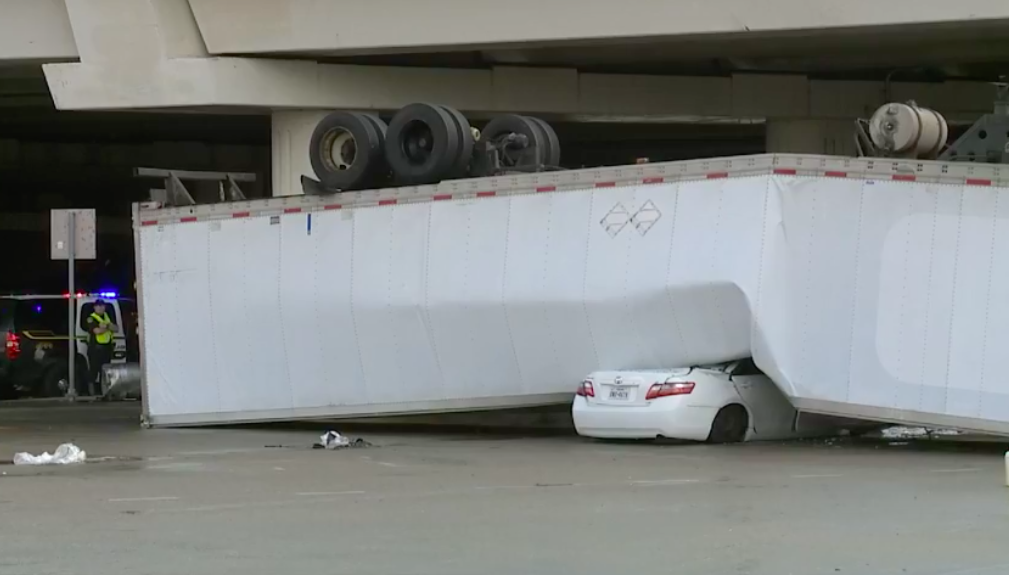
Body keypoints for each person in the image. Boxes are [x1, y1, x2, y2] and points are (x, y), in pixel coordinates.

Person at [85, 299, 116, 396]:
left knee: (106, 372)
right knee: (94, 371)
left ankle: (105, 393)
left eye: (102, 306)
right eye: (98, 306)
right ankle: (91, 394)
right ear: (94, 307)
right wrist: (107, 327)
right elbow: (97, 331)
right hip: (95, 349)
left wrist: (105, 326)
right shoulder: (91, 318)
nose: (101, 308)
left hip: (107, 348)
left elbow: (116, 328)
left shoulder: (107, 317)